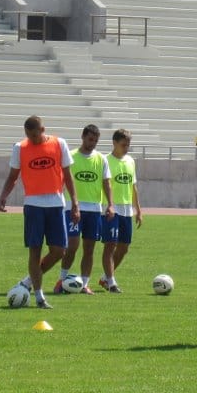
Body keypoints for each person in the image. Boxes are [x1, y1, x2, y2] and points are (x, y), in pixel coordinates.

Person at [0, 115, 80, 309]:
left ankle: (27, 282)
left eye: (34, 135)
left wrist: (75, 202)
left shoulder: (59, 144)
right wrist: (3, 195)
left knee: (59, 251)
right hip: (33, 205)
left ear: (42, 130)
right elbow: (13, 176)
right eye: (28, 135)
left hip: (56, 203)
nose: (31, 139)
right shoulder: (20, 148)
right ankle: (39, 297)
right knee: (34, 250)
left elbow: (68, 176)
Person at [54, 125, 115, 295]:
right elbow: (62, 179)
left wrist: (110, 204)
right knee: (72, 245)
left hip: (94, 209)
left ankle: (84, 284)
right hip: (73, 207)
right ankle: (61, 280)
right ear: (83, 137)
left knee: (89, 249)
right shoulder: (71, 156)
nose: (92, 143)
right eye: (90, 139)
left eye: (95, 140)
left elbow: (106, 183)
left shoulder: (101, 159)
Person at [99, 129, 142, 293]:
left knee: (124, 248)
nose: (126, 148)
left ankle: (105, 277)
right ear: (114, 143)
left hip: (126, 210)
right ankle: (111, 282)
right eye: (123, 145)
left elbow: (133, 186)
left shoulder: (130, 161)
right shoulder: (105, 160)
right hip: (110, 209)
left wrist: (138, 210)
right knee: (110, 245)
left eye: (128, 145)